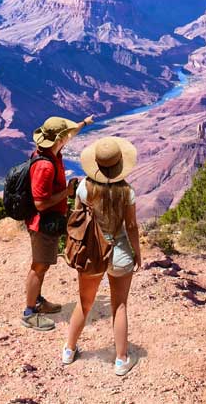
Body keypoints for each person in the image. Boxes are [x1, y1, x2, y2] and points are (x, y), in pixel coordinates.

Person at [63, 136, 142, 376]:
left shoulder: (84, 188)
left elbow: (78, 218)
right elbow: (131, 226)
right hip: (119, 252)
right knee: (119, 306)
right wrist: (137, 253)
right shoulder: (126, 191)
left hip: (91, 253)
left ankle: (69, 349)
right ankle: (121, 360)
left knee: (84, 303)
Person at [22, 114, 93, 332]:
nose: (67, 139)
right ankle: (29, 312)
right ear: (58, 139)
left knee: (43, 265)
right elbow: (40, 203)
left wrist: (83, 124)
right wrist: (67, 192)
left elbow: (69, 135)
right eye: (64, 136)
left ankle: (38, 301)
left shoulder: (52, 152)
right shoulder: (46, 166)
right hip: (41, 224)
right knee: (39, 266)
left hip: (48, 221)